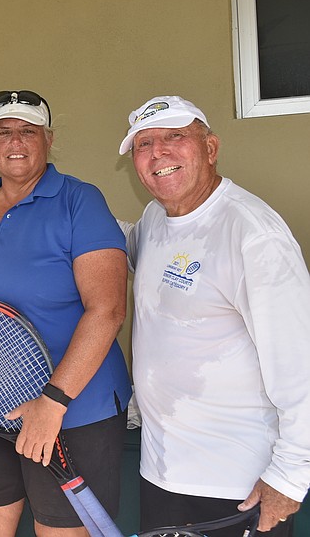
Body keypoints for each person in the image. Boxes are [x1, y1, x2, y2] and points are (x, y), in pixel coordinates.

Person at [0, 90, 132, 537]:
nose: (16, 142)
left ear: (48, 140)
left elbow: (109, 309)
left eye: (28, 132)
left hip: (72, 414)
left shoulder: (80, 201)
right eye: (4, 132)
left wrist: (53, 402)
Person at [117, 95, 310, 536]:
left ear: (211, 148)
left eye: (175, 137)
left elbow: (301, 364)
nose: (159, 152)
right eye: (144, 144)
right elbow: (126, 251)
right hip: (162, 474)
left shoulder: (252, 234)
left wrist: (291, 475)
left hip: (238, 483)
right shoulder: (156, 218)